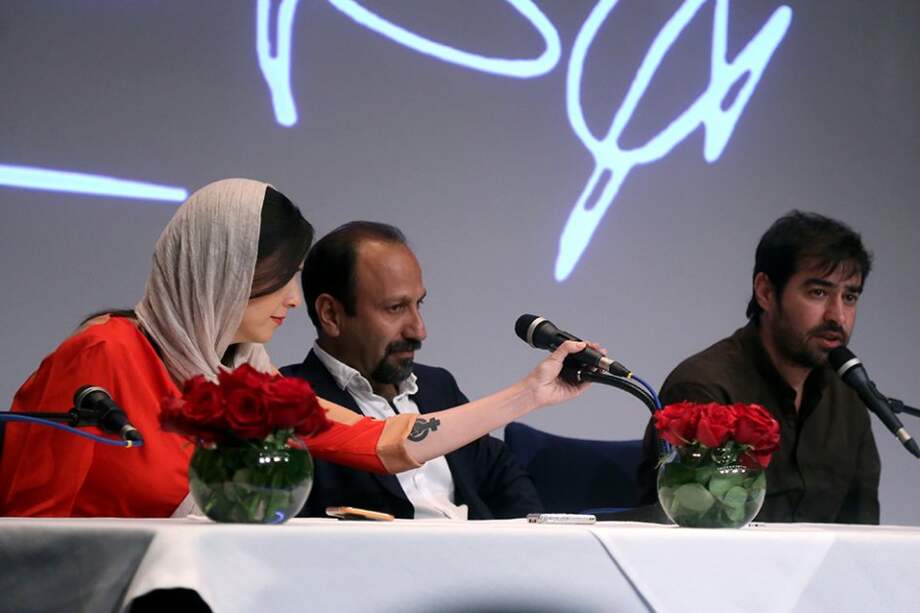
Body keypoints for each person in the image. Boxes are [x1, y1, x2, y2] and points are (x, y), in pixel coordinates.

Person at [0, 179, 592, 518]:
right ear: (219, 273)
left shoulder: (240, 377)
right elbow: (27, 526)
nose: (292, 298)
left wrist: (530, 393)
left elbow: (381, 443)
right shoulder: (103, 352)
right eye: (278, 277)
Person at [281, 222, 542, 519]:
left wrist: (522, 549)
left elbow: (503, 474)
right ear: (331, 314)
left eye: (419, 304)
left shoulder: (439, 385)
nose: (419, 330)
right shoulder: (288, 403)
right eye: (395, 308)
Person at [637, 211, 881, 524]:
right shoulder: (704, 387)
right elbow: (684, 530)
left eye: (849, 296)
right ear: (765, 291)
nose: (838, 316)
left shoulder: (848, 395)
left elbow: (862, 531)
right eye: (818, 292)